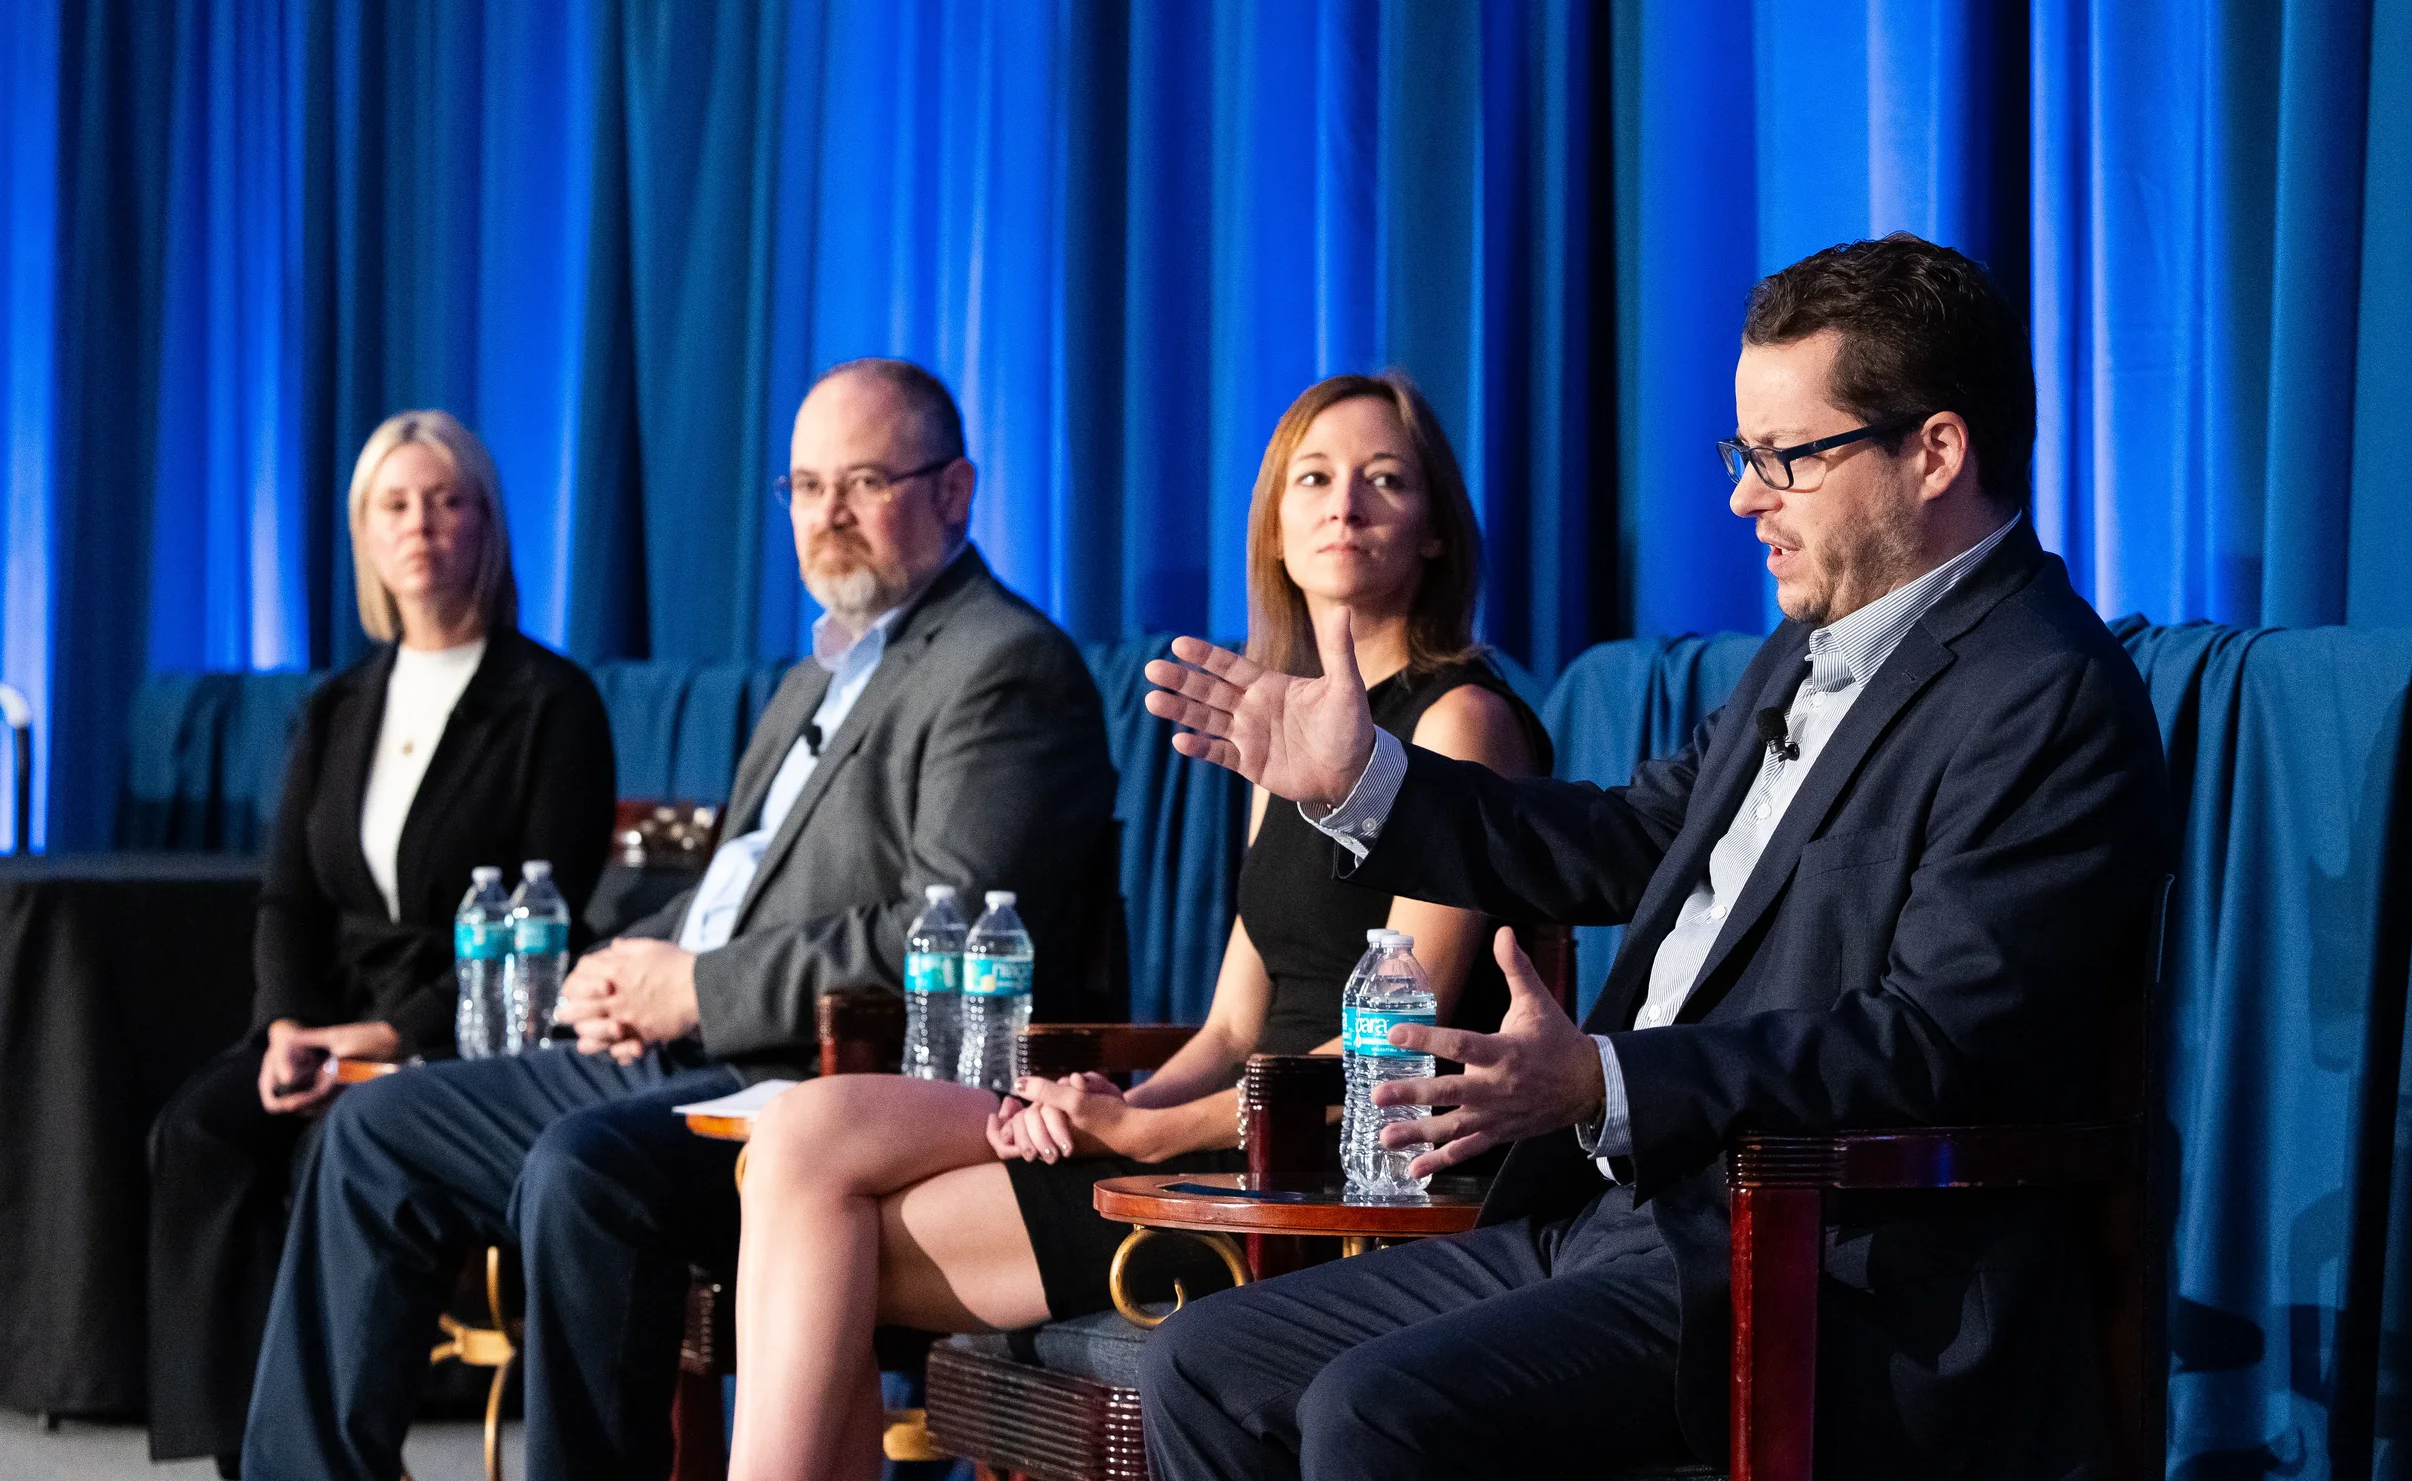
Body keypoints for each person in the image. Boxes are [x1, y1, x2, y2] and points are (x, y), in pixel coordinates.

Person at [1137, 236, 2173, 1481]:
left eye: (1786, 458)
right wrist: (1366, 780)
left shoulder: (2045, 694)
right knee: (1203, 1358)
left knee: (1376, 1409)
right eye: (1744, 456)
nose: (1745, 499)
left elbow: (1933, 1043)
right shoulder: (1802, 651)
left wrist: (1603, 1079)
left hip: (1820, 1265)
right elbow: (1623, 836)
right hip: (1620, 1216)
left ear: (1935, 451)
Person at [239, 359, 1118, 1481]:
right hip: (692, 1053)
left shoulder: (1005, 665)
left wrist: (694, 987)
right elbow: (732, 889)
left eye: (862, 482)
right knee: (376, 1126)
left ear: (954, 490)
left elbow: (939, 932)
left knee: (584, 1171)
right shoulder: (817, 673)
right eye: (805, 487)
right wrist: (624, 965)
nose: (828, 515)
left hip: (824, 1084)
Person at [726, 374, 1552, 1481]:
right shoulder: (1291, 735)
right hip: (1218, 1124)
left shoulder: (1461, 721)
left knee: (822, 1244)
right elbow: (1229, 1028)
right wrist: (1109, 1107)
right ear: (1274, 526)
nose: (1344, 505)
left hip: (1330, 1170)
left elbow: (1398, 1047)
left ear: (1437, 530)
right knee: (803, 1133)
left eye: (1384, 480)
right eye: (1313, 479)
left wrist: (1151, 1135)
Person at [146, 411, 615, 1476]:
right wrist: (283, 1025)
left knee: (343, 1146)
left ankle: (334, 1454)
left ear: (489, 524)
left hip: (468, 1021)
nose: (421, 526)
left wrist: (392, 1034)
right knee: (200, 1133)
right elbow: (287, 900)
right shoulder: (338, 704)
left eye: (448, 502)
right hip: (327, 1015)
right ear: (362, 531)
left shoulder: (551, 701)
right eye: (395, 505)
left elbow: (545, 919)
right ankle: (245, 1454)